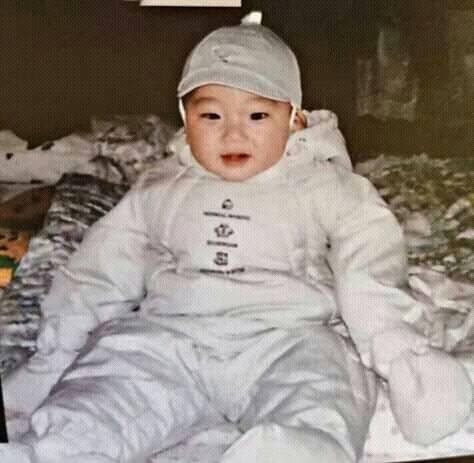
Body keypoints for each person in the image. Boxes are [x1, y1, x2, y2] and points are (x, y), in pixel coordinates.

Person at [1, 11, 471, 463]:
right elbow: (100, 269)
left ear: (294, 119)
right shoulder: (160, 186)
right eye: (211, 117)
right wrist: (56, 355)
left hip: (287, 337)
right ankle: (53, 450)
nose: (232, 134)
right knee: (109, 385)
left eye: (257, 116)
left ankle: (292, 450)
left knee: (321, 388)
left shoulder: (322, 184)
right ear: (185, 118)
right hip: (170, 333)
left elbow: (369, 262)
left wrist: (400, 351)